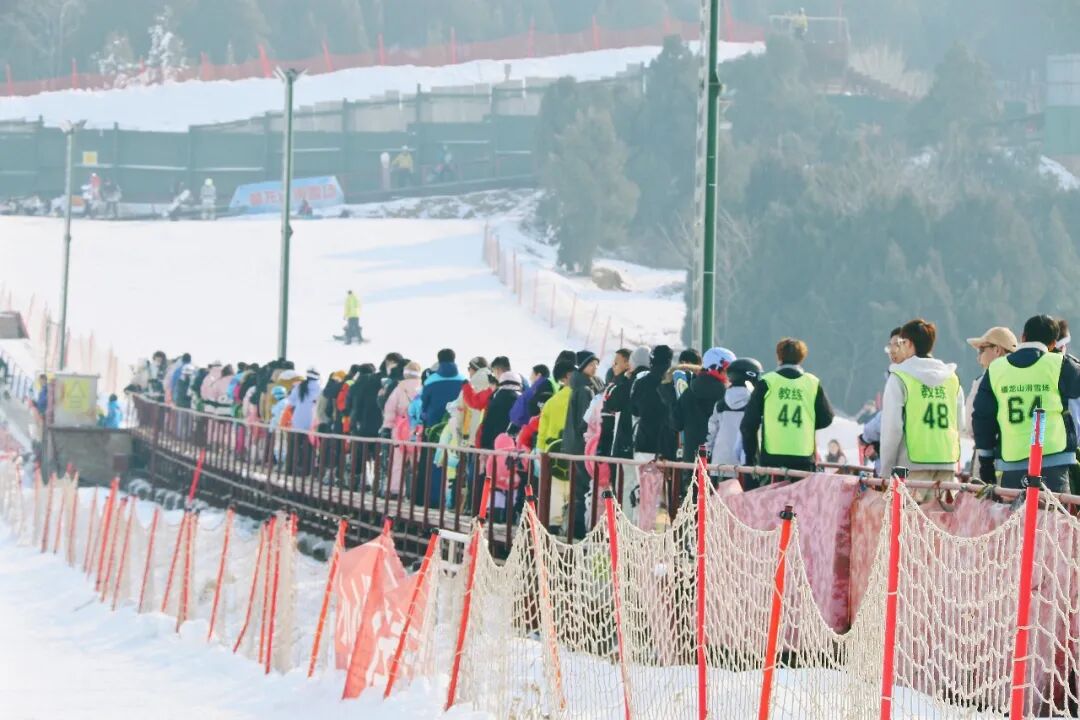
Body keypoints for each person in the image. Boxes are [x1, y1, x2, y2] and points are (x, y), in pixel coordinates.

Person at [973, 315, 1080, 492]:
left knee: (1014, 511)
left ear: (1022, 337)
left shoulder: (996, 369)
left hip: (1011, 462)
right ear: (1053, 344)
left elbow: (982, 417)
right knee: (1052, 510)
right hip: (1054, 460)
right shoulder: (1061, 364)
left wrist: (986, 463)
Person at [878, 319, 965, 484]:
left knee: (907, 503)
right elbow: (960, 425)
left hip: (911, 465)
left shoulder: (899, 377)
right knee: (942, 503)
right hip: (947, 464)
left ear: (909, 344)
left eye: (901, 343)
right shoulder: (951, 378)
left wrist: (886, 470)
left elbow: (892, 428)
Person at [741, 338, 835, 477]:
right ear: (802, 358)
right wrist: (806, 423)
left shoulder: (767, 382)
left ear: (779, 356)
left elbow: (748, 424)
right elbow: (827, 418)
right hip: (803, 458)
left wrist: (751, 458)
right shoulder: (812, 383)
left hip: (772, 459)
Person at [963, 327, 1018, 477]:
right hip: (1015, 455)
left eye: (981, 350)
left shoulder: (984, 381)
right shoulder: (1019, 378)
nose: (978, 358)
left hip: (986, 454)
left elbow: (971, 424)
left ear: (997, 350)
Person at [674, 347, 734, 464]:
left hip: (692, 459)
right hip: (719, 459)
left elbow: (676, 423)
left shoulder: (688, 393)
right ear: (716, 368)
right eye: (727, 370)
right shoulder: (727, 395)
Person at [707, 357, 763, 466]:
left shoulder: (720, 404)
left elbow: (710, 435)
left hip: (719, 462)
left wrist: (707, 457)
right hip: (745, 463)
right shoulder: (755, 404)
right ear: (751, 376)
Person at [632, 345, 677, 461]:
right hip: (668, 443)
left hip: (644, 441)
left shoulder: (640, 383)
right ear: (669, 361)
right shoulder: (673, 383)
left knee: (643, 472)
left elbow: (634, 410)